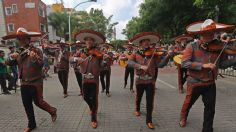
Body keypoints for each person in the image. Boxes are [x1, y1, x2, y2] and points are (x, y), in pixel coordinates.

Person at [179, 19, 236, 132]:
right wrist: (204, 65)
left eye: (212, 33)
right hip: (195, 82)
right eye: (207, 33)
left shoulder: (218, 46)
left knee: (210, 109)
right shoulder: (192, 46)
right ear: (201, 34)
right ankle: (183, 116)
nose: (211, 35)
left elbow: (223, 64)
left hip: (210, 82)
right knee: (188, 102)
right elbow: (184, 63)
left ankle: (207, 129)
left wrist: (234, 59)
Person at [3, 28, 57, 132]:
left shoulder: (36, 50)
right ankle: (31, 124)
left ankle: (52, 110)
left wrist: (34, 58)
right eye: (19, 39)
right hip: (23, 82)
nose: (21, 41)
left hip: (35, 82)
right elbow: (7, 62)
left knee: (39, 102)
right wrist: (11, 57)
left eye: (23, 39)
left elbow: (41, 64)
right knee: (26, 104)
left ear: (28, 39)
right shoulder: (18, 52)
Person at [128, 32, 173, 129]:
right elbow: (129, 62)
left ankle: (149, 120)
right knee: (138, 97)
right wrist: (140, 66)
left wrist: (168, 56)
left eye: (148, 41)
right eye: (144, 41)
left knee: (150, 101)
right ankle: (137, 108)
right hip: (139, 80)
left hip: (150, 81)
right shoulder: (135, 53)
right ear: (140, 44)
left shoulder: (154, 53)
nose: (147, 43)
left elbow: (160, 65)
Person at [75, 29, 108, 128]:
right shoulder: (81, 52)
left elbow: (102, 65)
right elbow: (72, 60)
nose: (89, 41)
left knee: (94, 98)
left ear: (93, 42)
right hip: (85, 79)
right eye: (87, 40)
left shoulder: (98, 53)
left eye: (90, 40)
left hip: (94, 79)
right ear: (85, 42)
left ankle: (94, 118)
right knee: (85, 97)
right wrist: (77, 60)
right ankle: (92, 108)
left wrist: (105, 60)